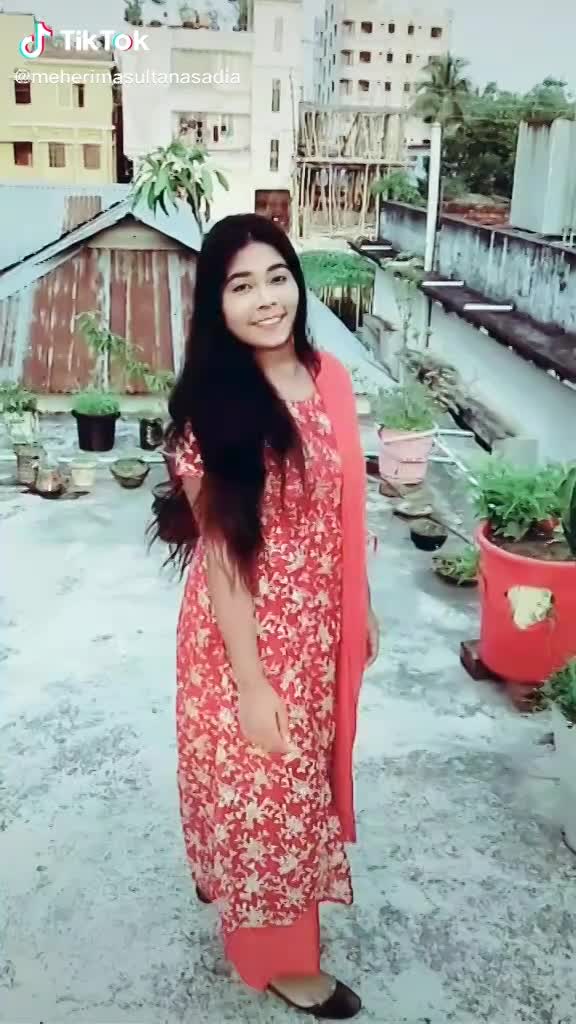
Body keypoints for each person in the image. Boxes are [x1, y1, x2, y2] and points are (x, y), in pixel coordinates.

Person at [150, 213, 380, 1019]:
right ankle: (279, 961)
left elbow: (344, 508)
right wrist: (250, 683)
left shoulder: (329, 378)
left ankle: (240, 890)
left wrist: (360, 605)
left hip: (317, 634)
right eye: (241, 286)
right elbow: (221, 559)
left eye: (277, 277)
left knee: (288, 793)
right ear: (216, 306)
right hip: (242, 642)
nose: (267, 299)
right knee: (269, 806)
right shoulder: (212, 411)